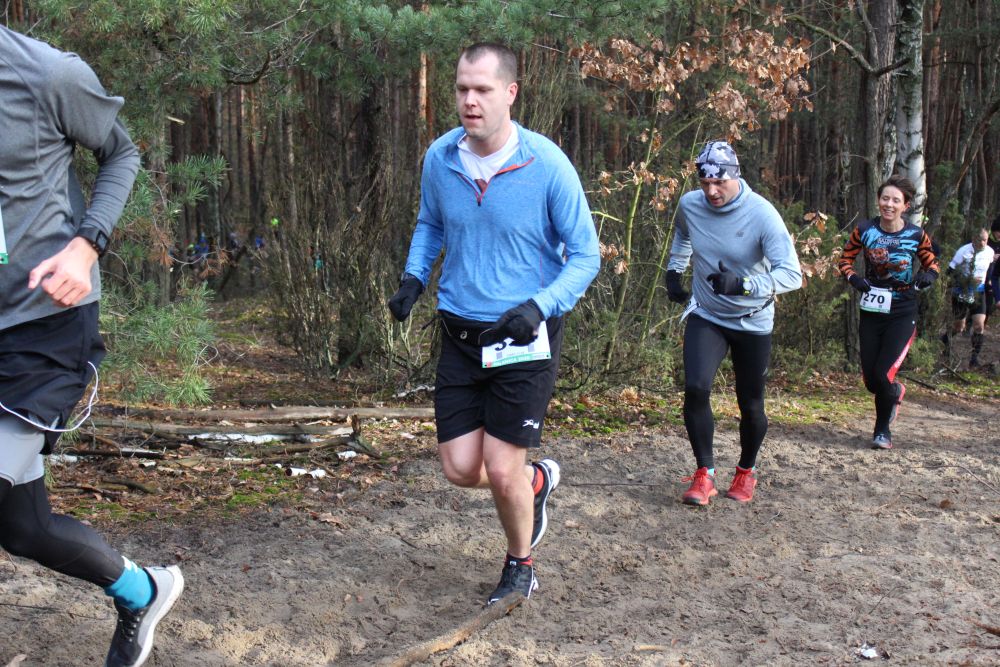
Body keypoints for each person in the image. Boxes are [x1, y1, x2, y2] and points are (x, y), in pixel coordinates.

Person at [388, 43, 599, 605]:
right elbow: (430, 223)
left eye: (482, 90)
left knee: (502, 469)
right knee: (461, 468)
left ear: (510, 93)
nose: (469, 101)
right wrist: (413, 279)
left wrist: (541, 306)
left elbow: (586, 256)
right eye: (462, 89)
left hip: (523, 337)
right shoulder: (441, 158)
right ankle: (536, 482)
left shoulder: (546, 164)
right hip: (461, 333)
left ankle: (519, 565)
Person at [0, 25, 183, 666]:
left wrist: (86, 245)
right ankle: (142, 590)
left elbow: (122, 153)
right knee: (23, 527)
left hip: (45, 327)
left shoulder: (47, 74)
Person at [665, 140, 802, 505]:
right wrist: (675, 270)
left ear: (735, 176)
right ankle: (704, 474)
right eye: (704, 183)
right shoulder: (690, 205)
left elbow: (792, 275)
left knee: (751, 403)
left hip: (752, 319)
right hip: (707, 313)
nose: (711, 191)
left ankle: (745, 471)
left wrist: (744, 285)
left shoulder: (762, 214)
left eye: (719, 183)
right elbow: (683, 233)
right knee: (696, 387)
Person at [839, 175, 939, 449]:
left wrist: (927, 277)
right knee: (872, 382)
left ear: (905, 206)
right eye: (885, 198)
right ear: (878, 200)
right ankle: (895, 391)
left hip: (902, 310)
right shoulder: (864, 229)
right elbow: (845, 260)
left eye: (896, 200)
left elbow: (933, 264)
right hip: (872, 309)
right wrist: (854, 279)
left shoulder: (916, 234)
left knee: (883, 374)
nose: (889, 204)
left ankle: (882, 431)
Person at [941, 228, 995, 368]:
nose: (982, 243)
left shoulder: (990, 252)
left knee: (979, 325)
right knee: (959, 327)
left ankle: (974, 359)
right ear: (973, 239)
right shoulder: (963, 251)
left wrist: (988, 282)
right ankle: (945, 340)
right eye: (979, 240)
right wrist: (967, 280)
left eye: (985, 240)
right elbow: (949, 272)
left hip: (979, 292)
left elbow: (990, 268)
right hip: (961, 291)